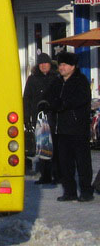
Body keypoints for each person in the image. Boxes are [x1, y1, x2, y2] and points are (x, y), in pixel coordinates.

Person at [41, 51, 95, 202]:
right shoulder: (57, 82)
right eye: (60, 65)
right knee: (65, 163)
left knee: (82, 162)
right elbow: (47, 96)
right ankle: (69, 191)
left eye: (65, 64)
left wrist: (62, 104)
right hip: (60, 128)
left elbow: (80, 99)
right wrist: (45, 104)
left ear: (72, 66)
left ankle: (86, 191)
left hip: (78, 128)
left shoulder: (80, 81)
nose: (62, 67)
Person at [23, 53, 58, 181]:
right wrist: (26, 118)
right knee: (42, 147)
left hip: (53, 116)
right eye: (41, 63)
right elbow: (27, 99)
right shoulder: (32, 79)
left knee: (55, 146)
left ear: (50, 64)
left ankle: (57, 173)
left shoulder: (56, 78)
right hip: (38, 118)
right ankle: (45, 175)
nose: (44, 66)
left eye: (46, 63)